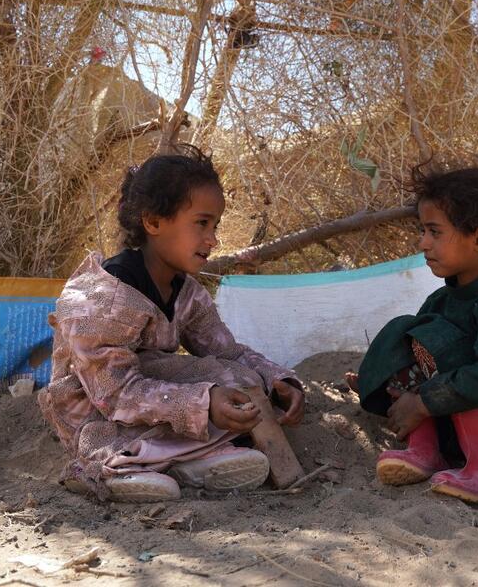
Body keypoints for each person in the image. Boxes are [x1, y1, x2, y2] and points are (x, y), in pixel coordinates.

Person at [38, 144, 304, 502]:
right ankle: (112, 468)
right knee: (210, 398)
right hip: (96, 410)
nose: (212, 239)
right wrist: (203, 402)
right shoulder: (100, 299)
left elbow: (226, 351)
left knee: (243, 382)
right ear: (153, 222)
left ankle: (182, 463)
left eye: (215, 225)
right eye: (201, 223)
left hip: (152, 396)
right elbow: (115, 394)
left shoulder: (187, 292)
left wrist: (276, 378)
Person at [346, 167, 478, 503]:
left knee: (463, 359)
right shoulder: (443, 299)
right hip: (450, 426)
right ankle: (426, 452)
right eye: (422, 231)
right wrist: (386, 376)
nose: (423, 242)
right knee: (408, 334)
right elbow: (420, 352)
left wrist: (424, 402)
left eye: (435, 232)